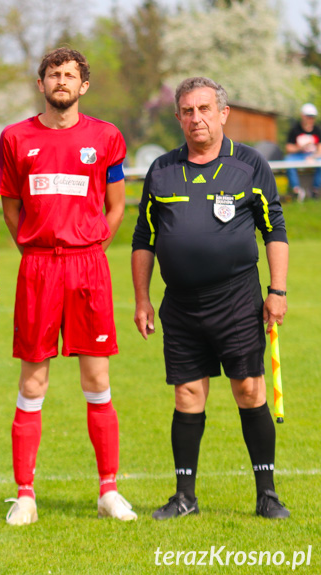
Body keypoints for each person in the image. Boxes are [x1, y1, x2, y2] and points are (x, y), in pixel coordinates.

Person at [131, 77, 290, 520]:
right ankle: (184, 497)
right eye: (187, 110)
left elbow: (274, 227)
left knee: (248, 388)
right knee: (186, 395)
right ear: (178, 116)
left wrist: (277, 290)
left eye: (204, 109)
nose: (196, 118)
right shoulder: (161, 169)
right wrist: (142, 300)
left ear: (222, 113)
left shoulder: (249, 164)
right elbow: (143, 238)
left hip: (237, 298)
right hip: (179, 303)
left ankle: (267, 494)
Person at [0, 47, 136, 524]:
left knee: (97, 379)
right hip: (38, 268)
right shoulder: (15, 138)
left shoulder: (106, 136)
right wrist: (34, 248)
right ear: (41, 84)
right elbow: (9, 209)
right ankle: (25, 494)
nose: (61, 81)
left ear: (83, 85)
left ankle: (108, 490)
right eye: (53, 74)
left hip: (88, 268)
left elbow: (116, 206)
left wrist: (90, 244)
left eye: (70, 74)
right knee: (33, 379)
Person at [284, 103, 321, 201]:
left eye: (312, 117)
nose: (310, 119)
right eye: (308, 116)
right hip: (298, 155)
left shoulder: (317, 130)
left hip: (313, 156)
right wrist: (300, 148)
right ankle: (297, 191)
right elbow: (288, 148)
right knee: (288, 161)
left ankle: (315, 190)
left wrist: (313, 157)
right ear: (303, 116)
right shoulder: (295, 130)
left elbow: (320, 149)